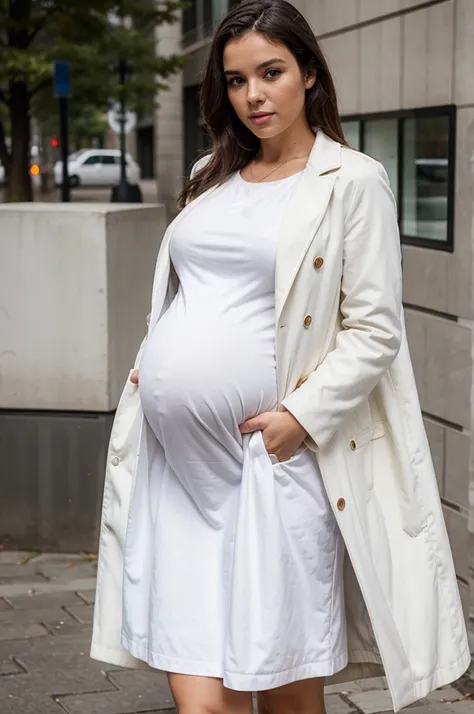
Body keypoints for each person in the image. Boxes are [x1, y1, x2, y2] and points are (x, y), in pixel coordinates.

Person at [90, 2, 470, 713]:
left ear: (310, 75)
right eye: (236, 81)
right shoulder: (210, 173)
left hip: (272, 467)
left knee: (285, 690)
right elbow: (184, 287)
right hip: (180, 473)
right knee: (202, 702)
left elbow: (376, 328)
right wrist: (155, 354)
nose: (253, 95)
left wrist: (300, 415)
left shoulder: (352, 181)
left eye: (271, 73)